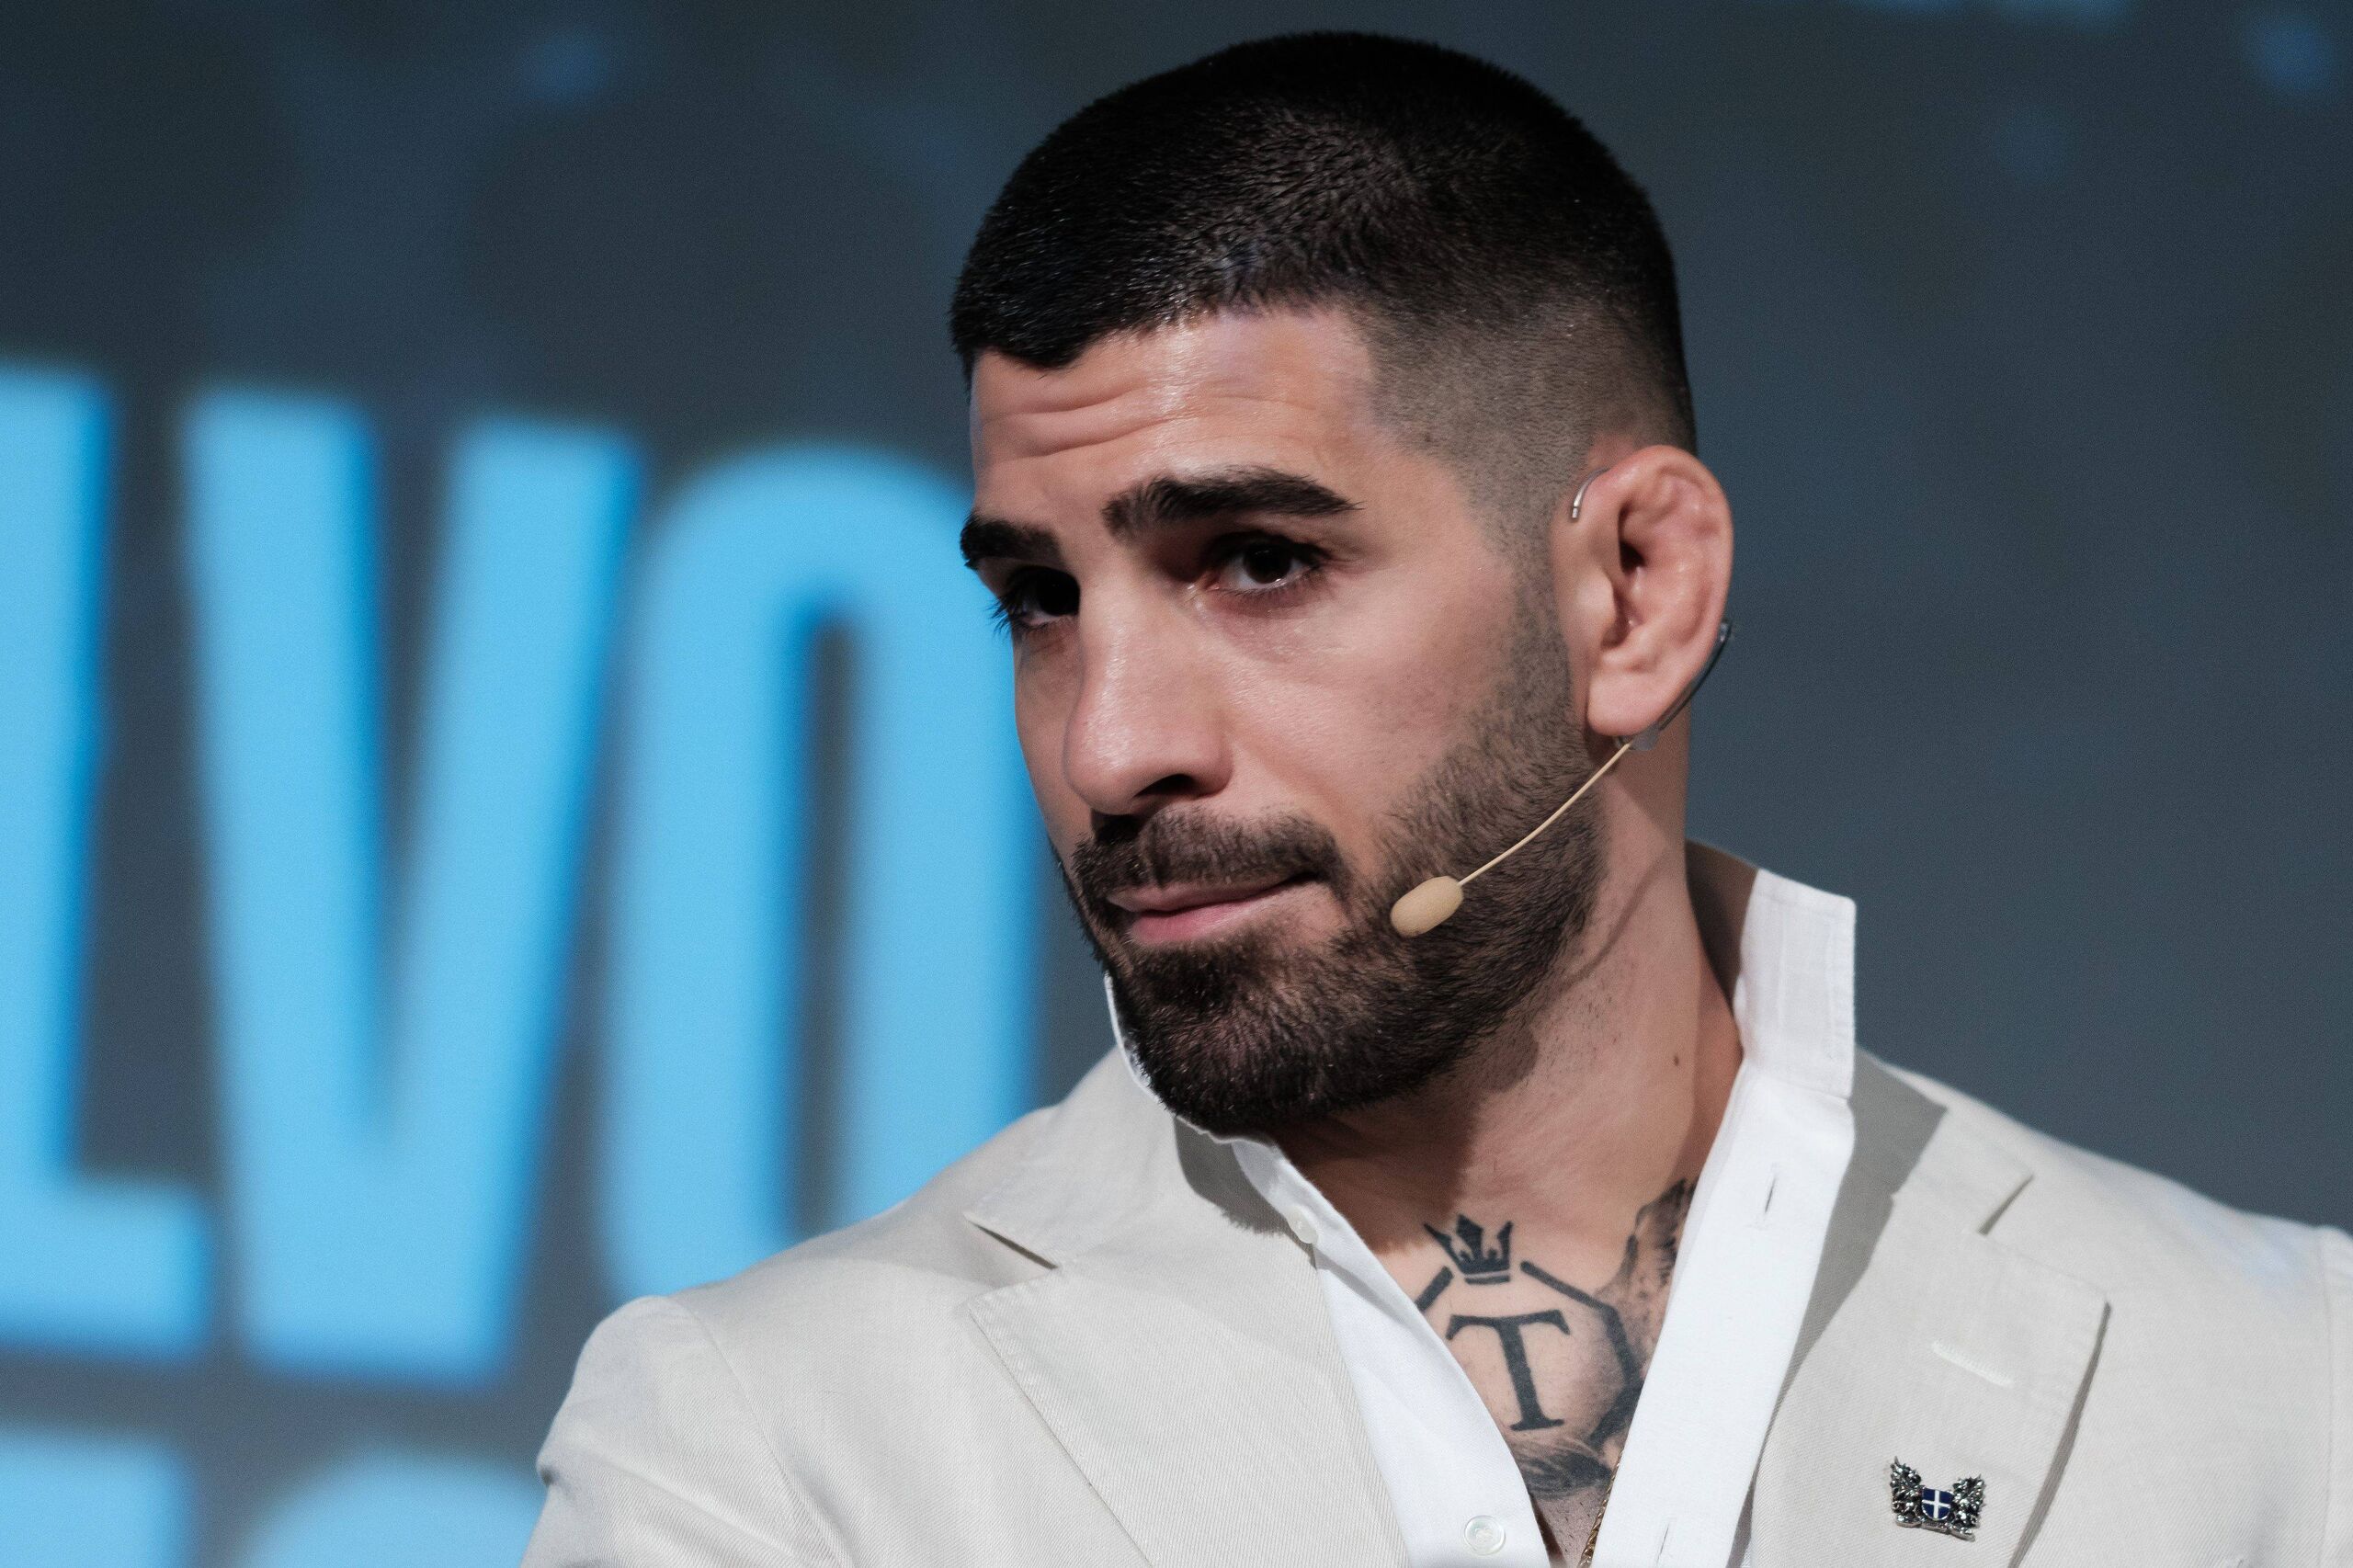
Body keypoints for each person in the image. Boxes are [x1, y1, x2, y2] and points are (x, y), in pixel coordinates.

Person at [523, 32, 2349, 1567]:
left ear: (1633, 591)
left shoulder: (2287, 1392)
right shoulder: (771, 1448)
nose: (1107, 748)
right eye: (1041, 599)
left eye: (1256, 561)